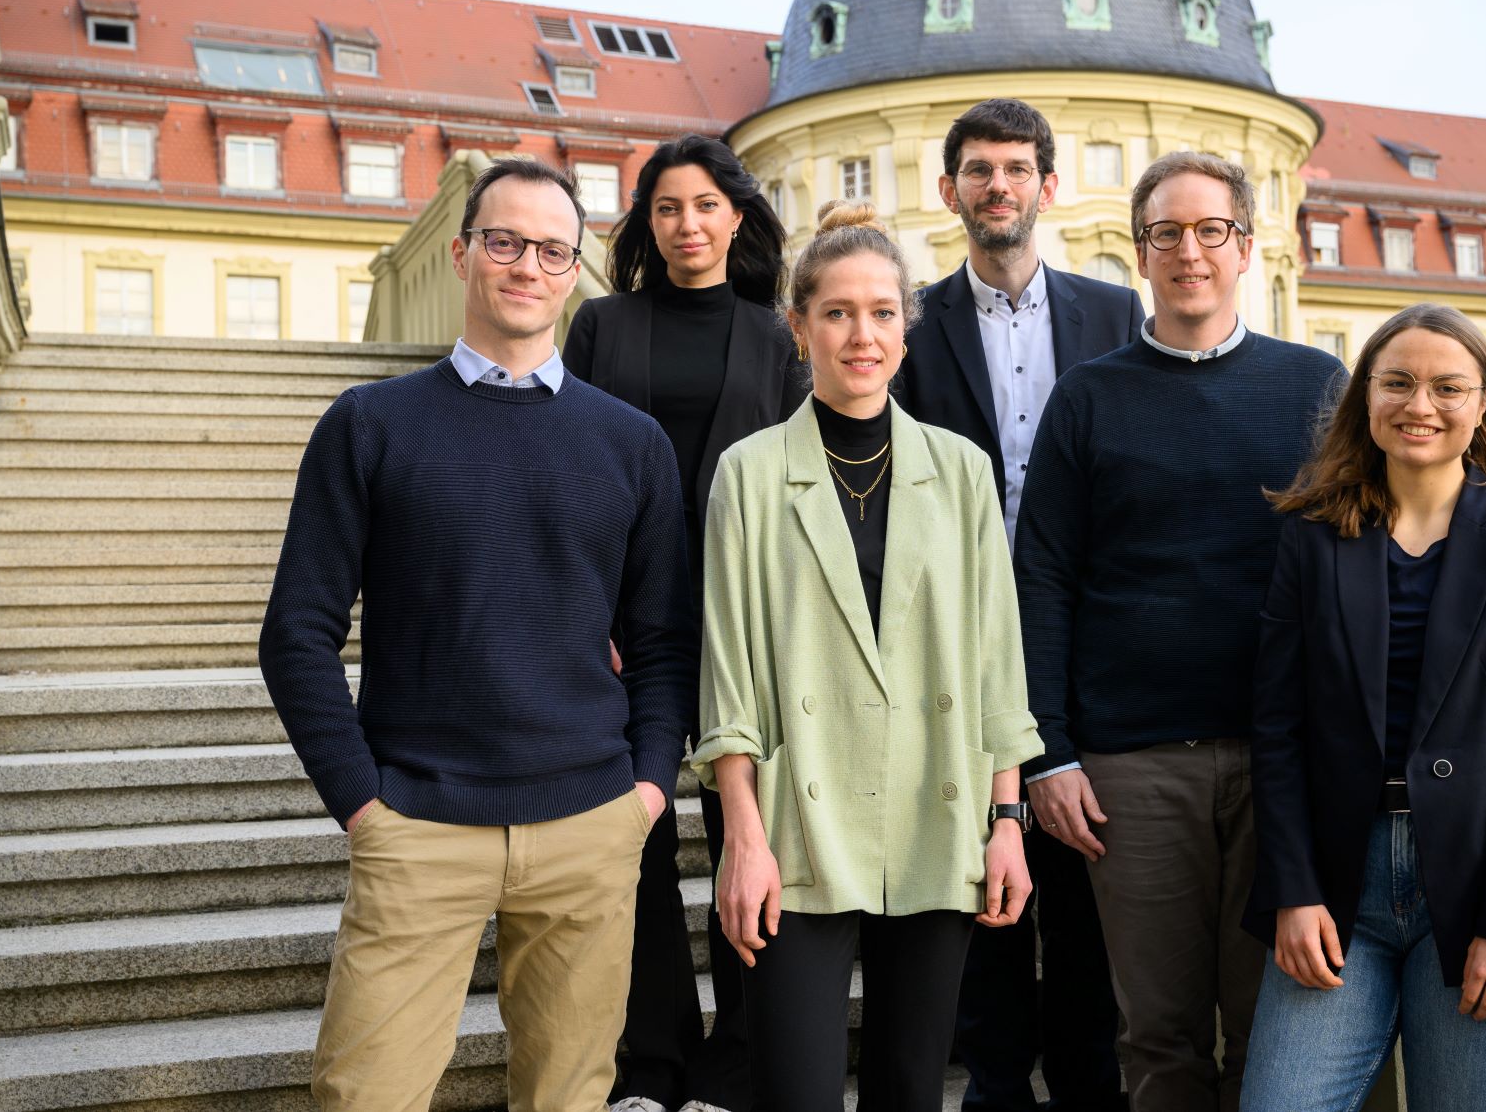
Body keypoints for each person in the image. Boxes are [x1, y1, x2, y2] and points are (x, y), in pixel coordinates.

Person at [258, 156, 696, 1112]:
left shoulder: (631, 444)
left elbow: (665, 642)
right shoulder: (369, 424)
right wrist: (362, 804)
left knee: (568, 1098)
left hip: (589, 821)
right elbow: (297, 632)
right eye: (504, 241)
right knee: (364, 1094)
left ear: (576, 270)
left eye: (551, 249)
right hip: (418, 821)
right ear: (462, 254)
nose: (526, 265)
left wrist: (647, 792)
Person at [691, 201, 1045, 1112]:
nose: (862, 334)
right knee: (797, 1091)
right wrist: (742, 836)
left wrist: (1007, 821)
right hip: (794, 822)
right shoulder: (750, 471)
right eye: (838, 312)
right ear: (799, 326)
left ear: (905, 326)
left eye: (883, 312)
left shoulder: (961, 469)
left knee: (910, 1090)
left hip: (940, 806)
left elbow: (998, 667)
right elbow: (727, 674)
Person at [1015, 150, 1344, 1112]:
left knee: (1272, 1029)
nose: (1189, 252)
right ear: (1140, 251)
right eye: (1167, 233)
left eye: (1211, 232)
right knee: (1157, 1036)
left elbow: (1356, 564)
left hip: (1281, 757)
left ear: (1246, 246)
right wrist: (1050, 755)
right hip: (1130, 763)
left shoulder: (1316, 386)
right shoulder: (1090, 396)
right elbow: (1042, 577)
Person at [1239, 302, 1486, 1111]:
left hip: (1479, 888)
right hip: (1338, 885)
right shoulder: (1311, 536)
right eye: (1396, 382)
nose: (1420, 405)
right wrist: (1293, 890)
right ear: (1366, 398)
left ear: (1484, 404)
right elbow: (1279, 728)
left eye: (1447, 386)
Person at [899, 97, 1141, 1112]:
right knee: (977, 869)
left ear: (1048, 186)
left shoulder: (1114, 314)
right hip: (953, 630)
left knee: (1081, 871)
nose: (997, 186)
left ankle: (1087, 1082)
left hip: (1087, 628)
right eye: (977, 170)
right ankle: (998, 1084)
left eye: (1015, 168)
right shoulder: (911, 323)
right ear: (947, 190)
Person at [564, 133, 798, 1112]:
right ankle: (646, 1064)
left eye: (704, 205)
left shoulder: (780, 336)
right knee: (638, 842)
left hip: (751, 622)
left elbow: (801, 492)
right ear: (645, 223)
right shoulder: (601, 327)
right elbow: (562, 469)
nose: (686, 224)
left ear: (736, 216)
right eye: (665, 208)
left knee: (753, 833)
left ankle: (737, 1067)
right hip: (628, 622)